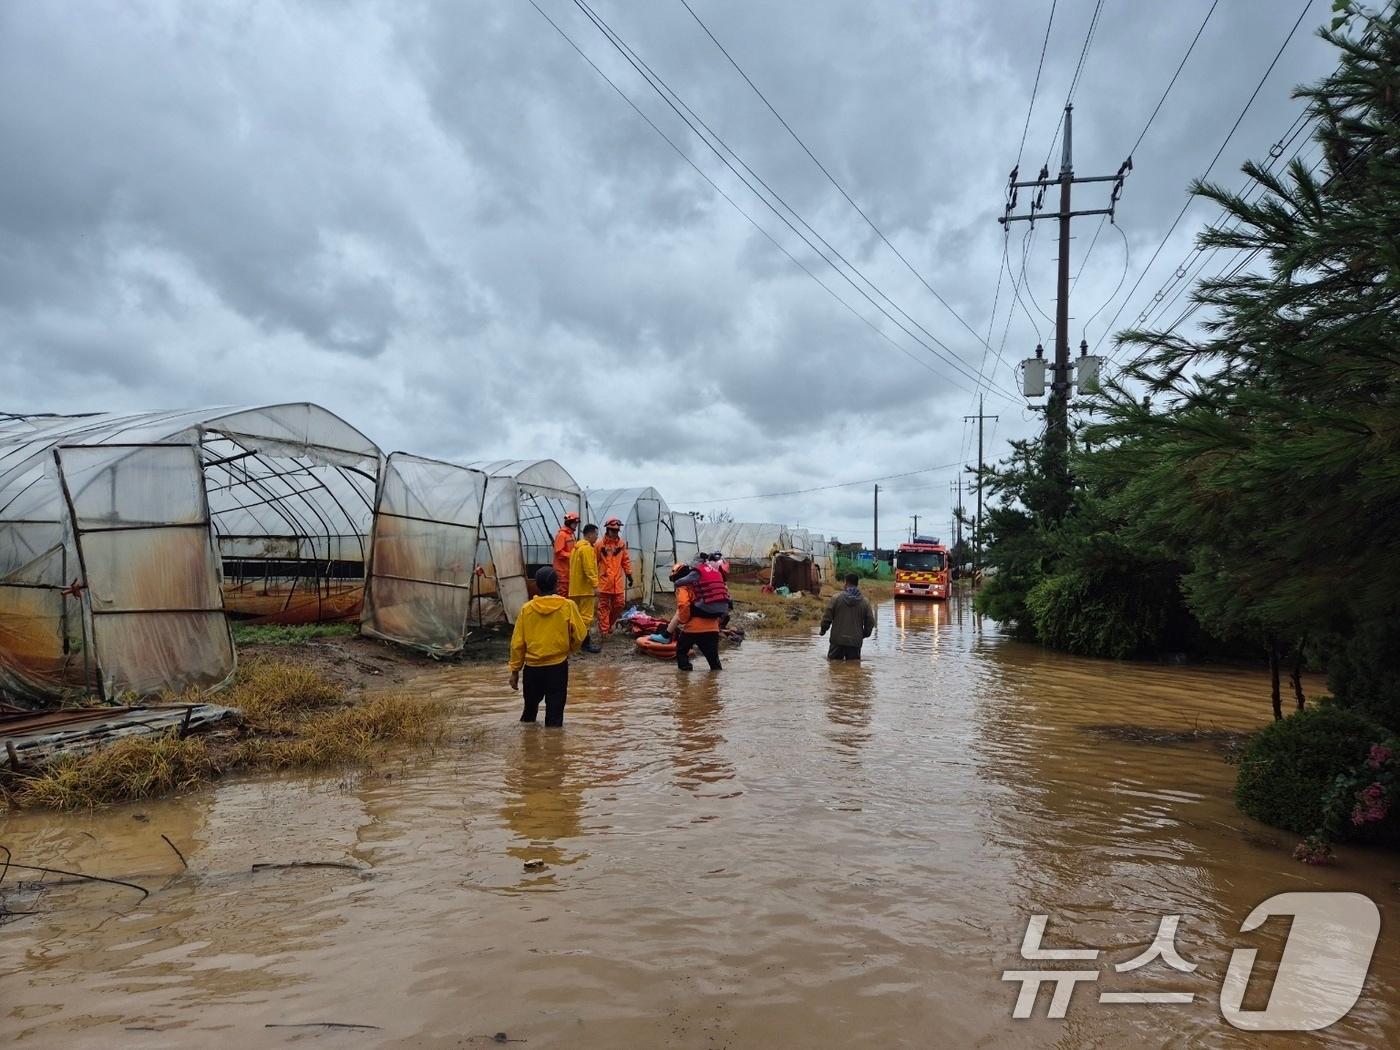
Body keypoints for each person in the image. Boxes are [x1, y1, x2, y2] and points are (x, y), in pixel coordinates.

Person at [509, 566, 587, 726]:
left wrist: (515, 671)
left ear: (536, 585)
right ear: (556, 584)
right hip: (557, 668)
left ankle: (528, 747)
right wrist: (570, 649)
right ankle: (555, 749)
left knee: (529, 714)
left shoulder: (527, 609)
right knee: (555, 717)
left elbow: (517, 643)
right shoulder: (568, 606)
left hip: (532, 669)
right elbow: (580, 634)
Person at [666, 561, 722, 671]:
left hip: (693, 629)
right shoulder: (701, 584)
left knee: (681, 651)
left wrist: (683, 620)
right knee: (714, 662)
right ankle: (713, 686)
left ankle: (684, 683)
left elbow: (684, 604)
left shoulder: (682, 587)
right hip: (713, 628)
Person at [820, 572, 876, 660]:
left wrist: (823, 630)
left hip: (837, 640)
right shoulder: (865, 602)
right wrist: (863, 635)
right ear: (857, 584)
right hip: (855, 642)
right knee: (854, 669)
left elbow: (827, 617)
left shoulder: (836, 598)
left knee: (834, 668)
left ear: (845, 583)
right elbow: (870, 622)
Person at [594, 516, 633, 639]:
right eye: (613, 530)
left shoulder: (621, 544)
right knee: (603, 608)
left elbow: (625, 560)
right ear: (607, 530)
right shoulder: (599, 544)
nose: (615, 533)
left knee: (619, 605)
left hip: (617, 583)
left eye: (616, 530)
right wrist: (594, 581)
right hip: (604, 582)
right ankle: (604, 632)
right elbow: (593, 562)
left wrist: (629, 574)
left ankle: (608, 624)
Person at [568, 522, 603, 654]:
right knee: (586, 618)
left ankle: (573, 642)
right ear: (589, 534)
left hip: (575, 589)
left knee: (575, 618)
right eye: (595, 534)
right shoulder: (587, 549)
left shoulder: (576, 548)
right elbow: (589, 569)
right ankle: (585, 643)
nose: (597, 537)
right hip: (585, 590)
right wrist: (595, 585)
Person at [552, 510, 580, 598]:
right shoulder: (562, 535)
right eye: (575, 523)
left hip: (569, 571)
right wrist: (572, 556)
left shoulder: (570, 535)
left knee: (568, 595)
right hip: (562, 572)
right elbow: (559, 553)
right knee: (562, 595)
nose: (576, 525)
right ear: (569, 522)